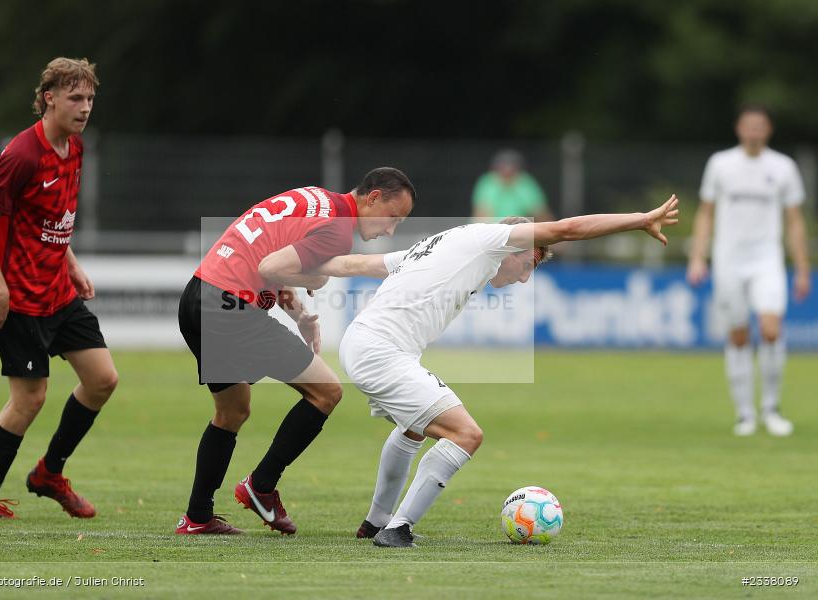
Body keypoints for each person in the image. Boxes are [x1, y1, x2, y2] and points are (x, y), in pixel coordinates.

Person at [311, 195, 679, 547]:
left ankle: (376, 521)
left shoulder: (446, 243)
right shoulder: (491, 239)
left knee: (412, 428)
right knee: (466, 434)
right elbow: (570, 228)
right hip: (379, 350)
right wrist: (640, 220)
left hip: (363, 343)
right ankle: (397, 529)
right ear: (518, 247)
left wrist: (285, 267)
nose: (524, 279)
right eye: (530, 266)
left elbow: (355, 264)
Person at [175, 168, 415, 535]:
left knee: (232, 410)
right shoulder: (337, 228)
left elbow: (269, 256)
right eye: (393, 217)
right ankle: (262, 486)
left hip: (197, 296)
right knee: (327, 391)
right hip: (229, 306)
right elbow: (270, 266)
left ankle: (197, 518)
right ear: (374, 198)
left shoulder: (318, 199)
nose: (390, 230)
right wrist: (318, 278)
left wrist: (300, 313)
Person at [0, 58, 118, 519]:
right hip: (21, 299)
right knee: (29, 398)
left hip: (57, 293)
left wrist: (70, 263)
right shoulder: (22, 154)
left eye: (89, 98)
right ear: (48, 97)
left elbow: (49, 217)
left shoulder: (75, 147)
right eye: (75, 98)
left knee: (102, 379)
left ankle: (49, 473)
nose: (85, 107)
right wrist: (0, 289)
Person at [687, 105, 810, 437]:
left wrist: (801, 267)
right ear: (739, 129)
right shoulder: (721, 164)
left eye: (760, 126)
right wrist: (698, 256)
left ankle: (771, 408)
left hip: (767, 259)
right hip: (728, 260)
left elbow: (794, 221)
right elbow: (705, 213)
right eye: (749, 126)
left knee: (771, 329)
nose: (754, 132)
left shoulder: (783, 167)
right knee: (739, 336)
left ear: (768, 130)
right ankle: (745, 414)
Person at [472, 148, 553, 222]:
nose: (507, 173)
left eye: (512, 170)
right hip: (494, 230)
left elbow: (540, 211)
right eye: (503, 169)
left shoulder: (525, 182)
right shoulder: (488, 182)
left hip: (519, 229)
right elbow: (481, 213)